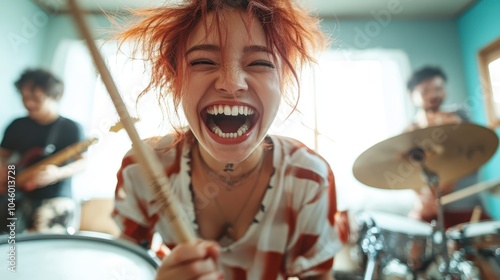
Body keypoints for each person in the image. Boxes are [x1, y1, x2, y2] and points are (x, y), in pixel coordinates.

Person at [112, 0, 348, 279]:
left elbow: (318, 276)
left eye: (260, 62)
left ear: (281, 82)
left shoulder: (309, 177)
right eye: (202, 61)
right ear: (175, 79)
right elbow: (126, 261)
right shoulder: (145, 166)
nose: (232, 82)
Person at [0, 68, 86, 234]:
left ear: (55, 96)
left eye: (36, 98)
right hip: (16, 196)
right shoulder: (17, 125)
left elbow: (83, 163)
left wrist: (58, 173)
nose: (29, 103)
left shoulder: (70, 128)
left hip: (55, 199)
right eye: (24, 97)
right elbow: (3, 155)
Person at [405, 66, 490, 229]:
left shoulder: (459, 115)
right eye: (425, 91)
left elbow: (474, 153)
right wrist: (422, 199)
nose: (433, 95)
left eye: (438, 88)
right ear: (411, 96)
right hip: (431, 211)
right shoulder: (408, 133)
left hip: (467, 207)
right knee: (414, 239)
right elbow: (407, 174)